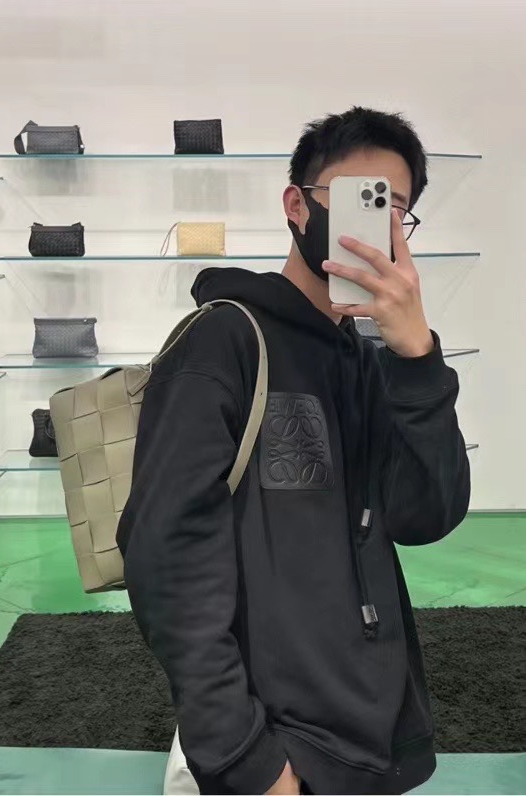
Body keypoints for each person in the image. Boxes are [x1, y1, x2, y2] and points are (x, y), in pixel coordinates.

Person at [116, 105, 471, 795]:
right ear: (296, 206)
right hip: (271, 750)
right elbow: (166, 559)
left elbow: (424, 516)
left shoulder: (374, 361)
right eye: (354, 198)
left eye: (392, 207)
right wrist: (244, 759)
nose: (373, 224)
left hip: (370, 737)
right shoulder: (222, 342)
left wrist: (418, 359)